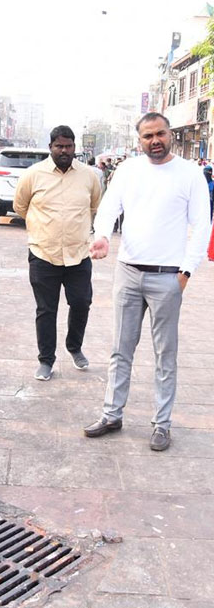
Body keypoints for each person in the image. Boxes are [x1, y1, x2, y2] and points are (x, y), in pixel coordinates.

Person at [84, 113, 212, 451]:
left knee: (165, 355)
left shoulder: (190, 174)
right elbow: (109, 207)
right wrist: (102, 237)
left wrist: (185, 273)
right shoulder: (128, 171)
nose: (155, 140)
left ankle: (162, 424)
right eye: (147, 136)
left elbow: (202, 225)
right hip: (128, 272)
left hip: (168, 277)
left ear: (169, 135)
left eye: (160, 134)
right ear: (139, 140)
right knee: (120, 349)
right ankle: (112, 414)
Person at [13, 126, 103, 381]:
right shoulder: (33, 175)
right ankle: (46, 360)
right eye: (59, 146)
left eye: (68, 146)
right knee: (46, 310)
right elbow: (21, 207)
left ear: (75, 147)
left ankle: (74, 347)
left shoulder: (89, 176)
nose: (64, 151)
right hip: (44, 254)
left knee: (81, 303)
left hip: (79, 255)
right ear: (50, 147)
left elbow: (94, 206)